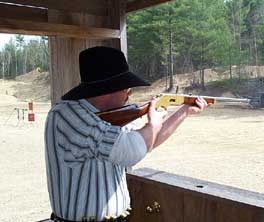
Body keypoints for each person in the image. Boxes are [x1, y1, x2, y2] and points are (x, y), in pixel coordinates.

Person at [45, 46, 208, 222]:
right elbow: (132, 150)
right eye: (127, 88)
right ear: (109, 89)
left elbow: (148, 142)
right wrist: (152, 124)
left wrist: (183, 111)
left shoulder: (108, 117)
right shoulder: (68, 115)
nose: (129, 94)